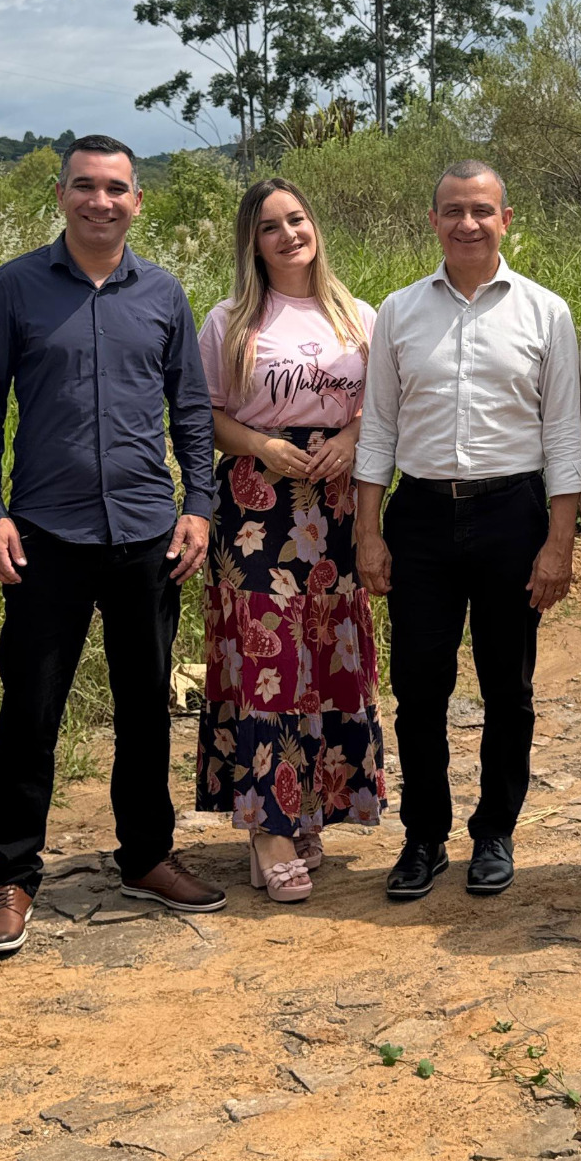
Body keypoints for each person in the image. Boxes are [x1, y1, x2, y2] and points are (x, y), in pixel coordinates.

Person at [0, 134, 223, 957]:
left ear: (138, 200)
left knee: (146, 702)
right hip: (45, 536)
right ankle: (12, 872)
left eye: (115, 188)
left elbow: (190, 410)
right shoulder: (16, 287)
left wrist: (200, 507)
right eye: (84, 186)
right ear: (62, 194)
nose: (99, 201)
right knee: (31, 706)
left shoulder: (163, 294)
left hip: (148, 532)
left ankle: (145, 853)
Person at [354, 162, 581, 901]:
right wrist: (368, 530)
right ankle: (423, 838)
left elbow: (565, 437)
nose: (468, 224)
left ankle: (495, 831)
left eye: (482, 210)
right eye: (453, 210)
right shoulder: (399, 310)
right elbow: (379, 427)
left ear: (506, 219)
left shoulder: (545, 312)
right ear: (433, 222)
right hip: (418, 514)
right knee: (420, 688)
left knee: (507, 689)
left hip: (511, 513)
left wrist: (558, 540)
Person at [197, 179, 386, 901]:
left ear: (315, 226)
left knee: (326, 655)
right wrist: (264, 448)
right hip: (257, 504)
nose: (287, 235)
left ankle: (307, 806)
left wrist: (351, 436)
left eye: (297, 219)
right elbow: (205, 416)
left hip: (336, 504)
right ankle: (268, 828)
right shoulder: (230, 321)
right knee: (266, 659)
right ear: (253, 241)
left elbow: (386, 406)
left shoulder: (357, 314)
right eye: (269, 226)